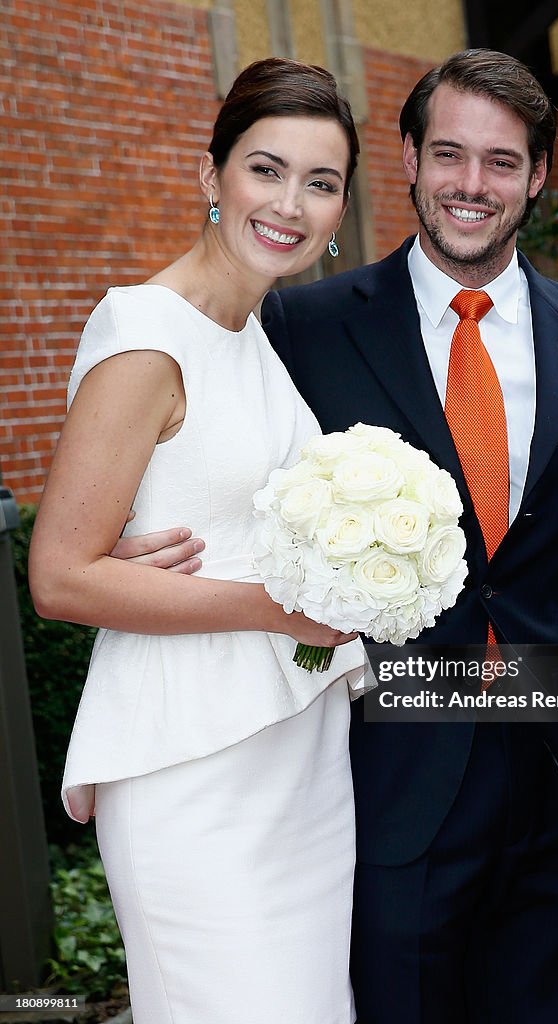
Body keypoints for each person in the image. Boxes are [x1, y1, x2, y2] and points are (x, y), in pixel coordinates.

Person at [115, 49, 558, 1024]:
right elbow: (211, 480)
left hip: (557, 779)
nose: (471, 184)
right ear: (408, 159)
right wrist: (133, 543)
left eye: (500, 162)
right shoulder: (304, 326)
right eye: (448, 154)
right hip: (385, 780)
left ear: (537, 175)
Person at [29, 58, 367, 1024]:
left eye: (321, 181)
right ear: (208, 176)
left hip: (297, 756)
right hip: (194, 765)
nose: (290, 204)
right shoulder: (146, 335)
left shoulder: (252, 334)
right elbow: (57, 576)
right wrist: (266, 602)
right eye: (266, 169)